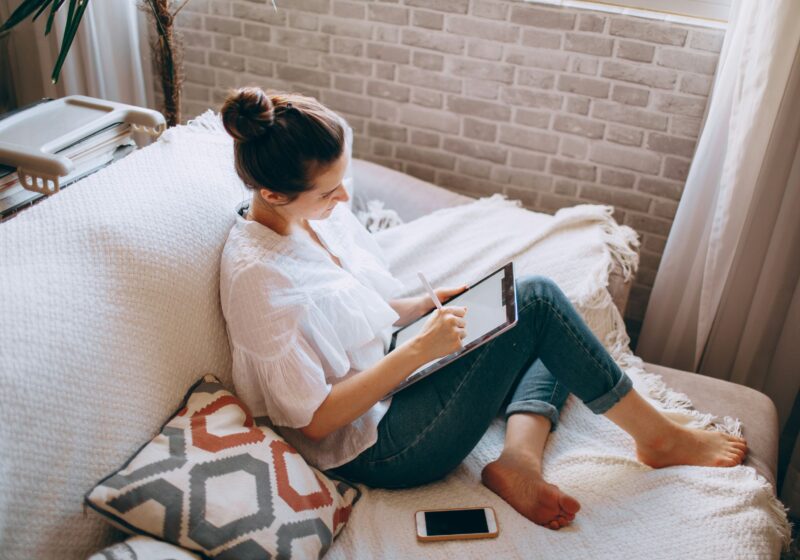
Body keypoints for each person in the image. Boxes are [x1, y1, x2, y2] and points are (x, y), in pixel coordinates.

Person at [218, 86, 748, 531]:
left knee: (535, 309)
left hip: (395, 368)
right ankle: (657, 438)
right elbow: (314, 421)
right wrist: (420, 349)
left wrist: (424, 306)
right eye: (329, 192)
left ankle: (518, 458)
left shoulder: (307, 216)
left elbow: (357, 312)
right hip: (377, 444)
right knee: (539, 305)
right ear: (274, 192)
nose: (343, 202)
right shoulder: (260, 280)